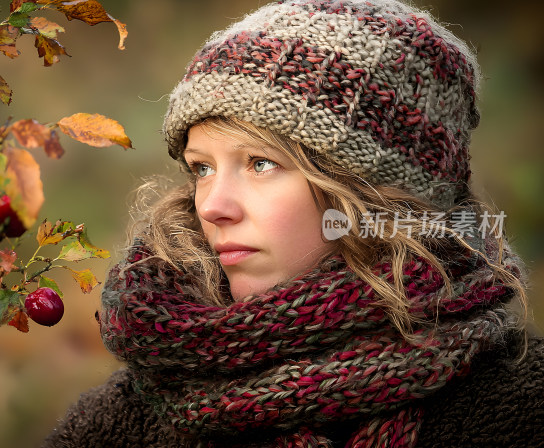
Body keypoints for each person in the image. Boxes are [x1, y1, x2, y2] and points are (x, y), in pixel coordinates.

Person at [43, 0, 544, 446]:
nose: (213, 206)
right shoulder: (118, 424)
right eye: (202, 167)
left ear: (380, 197)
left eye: (261, 163)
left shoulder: (522, 408)